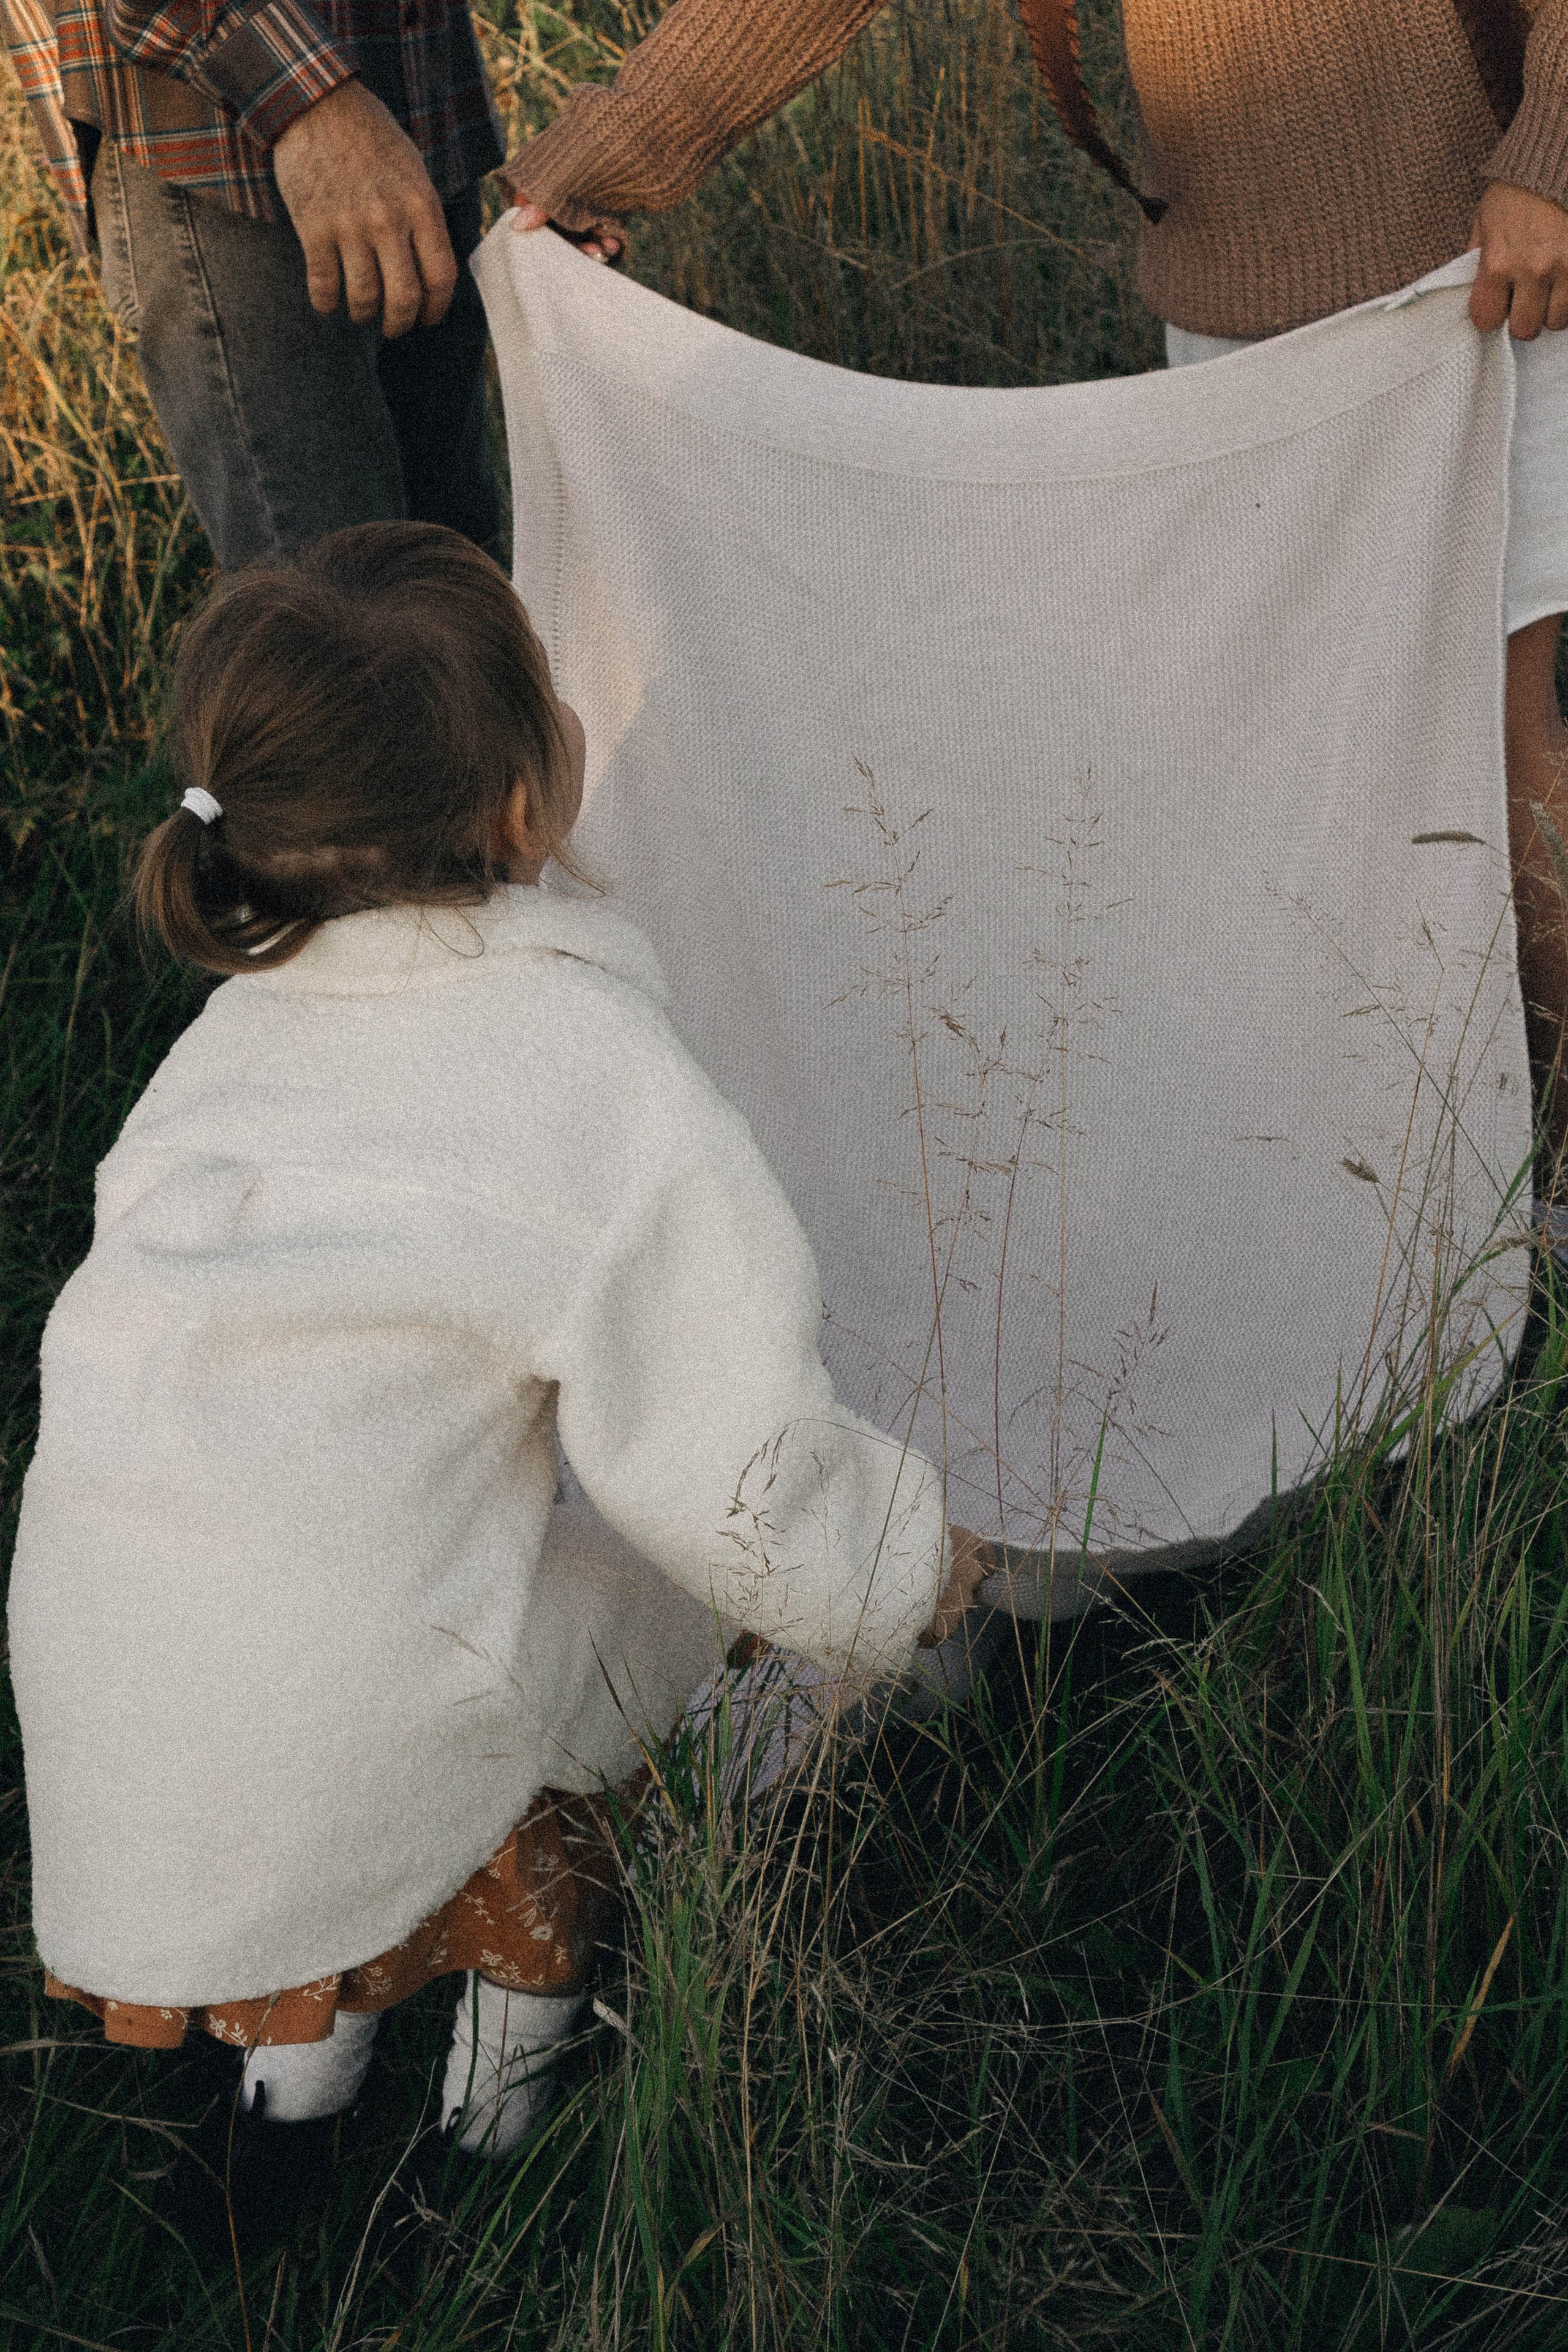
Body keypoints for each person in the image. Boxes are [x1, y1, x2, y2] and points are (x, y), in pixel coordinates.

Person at [7, 521, 989, 2233]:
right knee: (565, 1693)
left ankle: (285, 2112)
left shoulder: (225, 1046)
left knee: (374, 1638)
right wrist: (900, 1568)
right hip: (359, 1686)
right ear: (528, 808)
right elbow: (725, 1460)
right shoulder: (590, 1070)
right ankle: (490, 2146)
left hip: (122, 1675)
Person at [495, 0, 1568, 1167]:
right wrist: (618, 141)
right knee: (1270, 773)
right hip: (1239, 306)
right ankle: (1382, 1175)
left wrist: (1551, 157)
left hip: (1482, 270)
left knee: (1495, 754)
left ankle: (1555, 1168)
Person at [2, 0, 506, 565]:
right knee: (336, 614)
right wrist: (307, 101)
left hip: (421, 100)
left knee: (465, 589)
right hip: (234, 134)